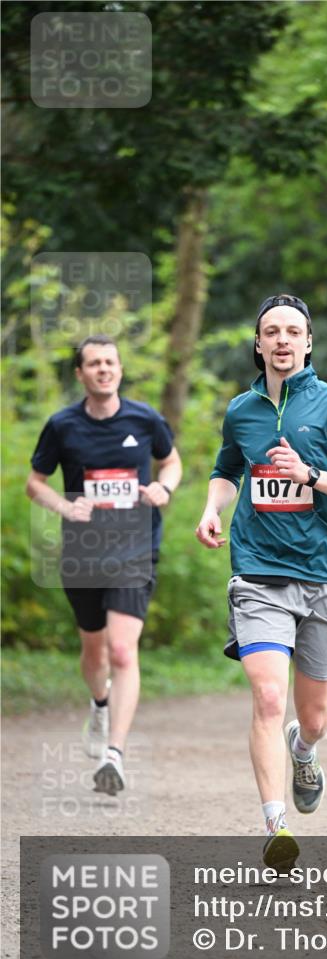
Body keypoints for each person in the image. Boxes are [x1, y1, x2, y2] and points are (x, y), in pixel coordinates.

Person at [195, 293, 327, 869]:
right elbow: (228, 468)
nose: (281, 340)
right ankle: (275, 827)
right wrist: (212, 508)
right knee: (268, 696)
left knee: (315, 716)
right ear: (258, 344)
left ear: (308, 343)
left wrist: (312, 475)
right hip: (258, 574)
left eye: (292, 331)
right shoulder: (241, 410)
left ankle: (305, 751)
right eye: (271, 331)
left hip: (325, 577)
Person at [26, 335, 182, 796]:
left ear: (119, 368)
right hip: (82, 553)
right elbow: (35, 483)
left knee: (121, 651)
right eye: (93, 363)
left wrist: (164, 490)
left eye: (110, 362)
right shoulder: (62, 426)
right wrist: (63, 507)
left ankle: (114, 753)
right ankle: (99, 703)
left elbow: (170, 462)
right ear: (80, 374)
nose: (103, 369)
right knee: (94, 652)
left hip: (135, 550)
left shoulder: (145, 418)